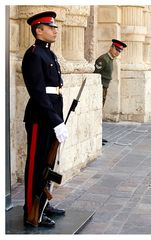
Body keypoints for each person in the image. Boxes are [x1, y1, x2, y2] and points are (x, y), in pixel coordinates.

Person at [22, 11, 68, 228]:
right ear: (38, 31)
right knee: (36, 164)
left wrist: (58, 118)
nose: (55, 30)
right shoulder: (33, 54)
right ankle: (30, 210)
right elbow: (38, 92)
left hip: (52, 114)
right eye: (50, 27)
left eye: (55, 27)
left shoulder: (50, 55)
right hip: (41, 118)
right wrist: (55, 120)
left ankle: (42, 205)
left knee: (48, 163)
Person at [94, 39, 127, 145]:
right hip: (100, 88)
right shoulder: (103, 59)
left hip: (104, 88)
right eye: (116, 49)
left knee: (100, 112)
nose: (117, 52)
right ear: (111, 47)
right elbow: (96, 75)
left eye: (119, 51)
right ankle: (95, 137)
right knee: (97, 112)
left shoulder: (111, 59)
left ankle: (98, 135)